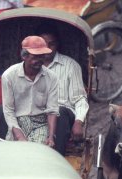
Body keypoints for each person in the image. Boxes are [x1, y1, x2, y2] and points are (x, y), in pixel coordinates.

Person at [35, 22, 89, 155]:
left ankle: (55, 159)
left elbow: (80, 98)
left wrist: (79, 122)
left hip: (63, 115)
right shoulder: (30, 65)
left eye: (51, 44)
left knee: (58, 111)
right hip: (36, 114)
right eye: (43, 44)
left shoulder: (70, 66)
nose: (47, 48)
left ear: (57, 44)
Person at [1, 35, 58, 146]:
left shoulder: (52, 77)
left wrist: (51, 137)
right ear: (24, 56)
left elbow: (52, 110)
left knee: (35, 154)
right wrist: (19, 136)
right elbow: (8, 111)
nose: (39, 60)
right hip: (17, 123)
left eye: (41, 56)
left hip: (40, 124)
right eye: (35, 57)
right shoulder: (9, 76)